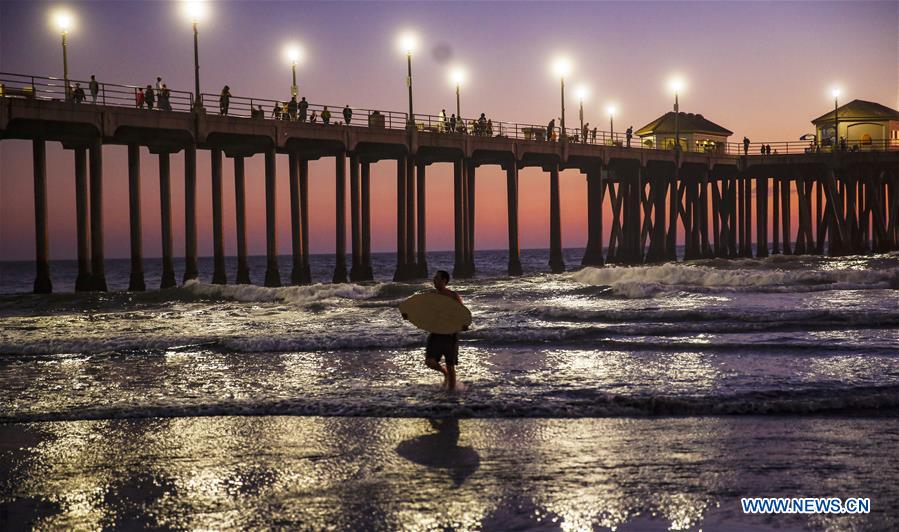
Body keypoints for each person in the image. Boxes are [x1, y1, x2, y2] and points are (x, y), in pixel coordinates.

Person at [419, 270, 465, 391]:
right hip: (436, 333)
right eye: (434, 278)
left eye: (437, 278)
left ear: (444, 280)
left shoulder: (453, 295)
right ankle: (445, 374)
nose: (434, 280)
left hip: (450, 334)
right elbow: (424, 313)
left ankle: (451, 392)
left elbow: (462, 313)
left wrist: (460, 324)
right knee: (429, 361)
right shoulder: (432, 296)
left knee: (450, 365)